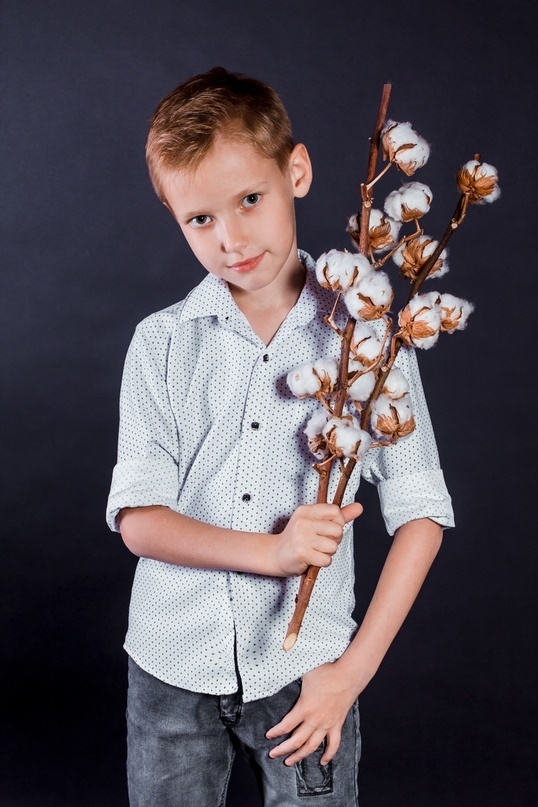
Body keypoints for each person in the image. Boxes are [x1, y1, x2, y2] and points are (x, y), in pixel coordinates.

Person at [106, 66, 454, 806]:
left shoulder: (368, 338)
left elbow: (422, 511)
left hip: (308, 673)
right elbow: (139, 521)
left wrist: (351, 673)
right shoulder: (161, 344)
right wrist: (273, 552)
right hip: (171, 663)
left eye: (249, 200)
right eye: (200, 219)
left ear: (295, 172)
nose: (231, 239)